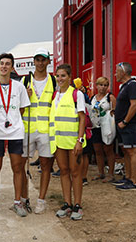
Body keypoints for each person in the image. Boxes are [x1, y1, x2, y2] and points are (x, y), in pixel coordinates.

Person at [0, 53, 30, 218]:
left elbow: (22, 108)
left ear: (12, 67)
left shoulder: (19, 87)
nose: (4, 66)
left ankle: (17, 202)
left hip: (15, 131)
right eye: (1, 64)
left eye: (7, 64)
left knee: (17, 167)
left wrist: (12, 120)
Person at [19, 48, 56, 214]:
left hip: (46, 131)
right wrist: (24, 97)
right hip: (27, 129)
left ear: (48, 61)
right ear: (33, 61)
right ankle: (23, 198)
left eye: (43, 60)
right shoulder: (25, 80)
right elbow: (16, 105)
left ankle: (41, 200)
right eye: (38, 60)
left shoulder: (54, 81)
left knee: (46, 166)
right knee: (21, 166)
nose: (40, 63)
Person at [50, 64, 87, 221]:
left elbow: (82, 118)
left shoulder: (76, 94)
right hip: (58, 141)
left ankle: (77, 205)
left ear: (70, 77)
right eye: (58, 76)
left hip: (73, 142)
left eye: (63, 76)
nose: (60, 79)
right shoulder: (55, 95)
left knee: (75, 172)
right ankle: (67, 203)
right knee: (63, 171)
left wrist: (79, 140)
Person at [112, 62, 136, 191]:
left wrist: (125, 121)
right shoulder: (124, 86)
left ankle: (134, 182)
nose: (115, 74)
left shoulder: (132, 85)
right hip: (122, 125)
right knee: (126, 151)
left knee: (132, 151)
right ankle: (128, 177)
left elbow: (134, 105)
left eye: (117, 71)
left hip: (129, 125)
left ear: (123, 72)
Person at [89, 77, 117, 183]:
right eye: (101, 85)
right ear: (96, 85)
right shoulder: (93, 97)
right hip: (96, 126)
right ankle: (100, 172)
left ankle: (110, 174)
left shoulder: (110, 97)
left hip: (107, 127)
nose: (103, 87)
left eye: (105, 85)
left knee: (108, 149)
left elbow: (115, 111)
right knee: (97, 150)